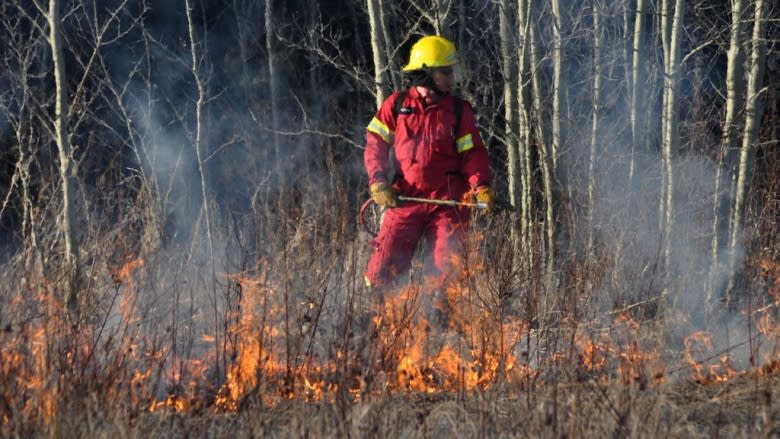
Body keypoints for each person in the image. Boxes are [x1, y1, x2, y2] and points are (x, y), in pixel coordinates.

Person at [363, 35, 494, 298]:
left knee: (446, 270)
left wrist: (480, 187)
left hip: (448, 203)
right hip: (405, 198)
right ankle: (376, 317)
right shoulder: (397, 105)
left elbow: (473, 154)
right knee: (382, 268)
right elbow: (375, 143)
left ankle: (440, 325)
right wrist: (378, 181)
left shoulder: (459, 110)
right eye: (444, 71)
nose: (450, 77)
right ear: (426, 74)